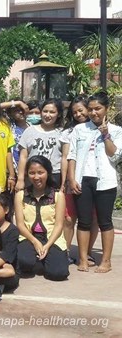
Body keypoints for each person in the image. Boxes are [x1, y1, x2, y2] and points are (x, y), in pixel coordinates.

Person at [68, 91, 122, 273]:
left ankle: (105, 261)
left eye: (98, 108)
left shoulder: (117, 130)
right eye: (90, 109)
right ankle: (83, 259)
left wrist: (106, 135)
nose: (93, 113)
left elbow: (114, 155)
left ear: (106, 109)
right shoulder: (79, 129)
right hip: (83, 179)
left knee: (105, 221)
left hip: (105, 181)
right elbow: (72, 155)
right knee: (83, 221)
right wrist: (72, 178)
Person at [14, 155, 69, 281]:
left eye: (40, 172)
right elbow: (20, 225)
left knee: (58, 273)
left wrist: (47, 245)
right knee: (24, 263)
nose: (36, 177)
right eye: (32, 173)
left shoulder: (57, 195)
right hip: (29, 237)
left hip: (51, 237)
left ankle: (47, 258)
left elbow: (59, 225)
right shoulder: (21, 195)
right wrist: (35, 242)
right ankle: (36, 260)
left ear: (48, 173)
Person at [60, 96, 98, 264]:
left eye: (81, 110)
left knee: (93, 218)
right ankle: (66, 252)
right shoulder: (68, 132)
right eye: (74, 112)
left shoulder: (99, 129)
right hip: (72, 180)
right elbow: (66, 157)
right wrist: (66, 181)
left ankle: (87, 252)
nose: (78, 114)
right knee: (69, 219)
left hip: (95, 181)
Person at [16, 99, 65, 192]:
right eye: (45, 111)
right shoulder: (29, 131)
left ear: (58, 114)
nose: (47, 115)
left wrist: (63, 182)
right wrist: (20, 179)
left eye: (52, 112)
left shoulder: (63, 133)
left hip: (54, 176)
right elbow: (23, 156)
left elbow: (65, 158)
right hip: (33, 176)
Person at [5, 99, 29, 170]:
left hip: (29, 169)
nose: (21, 112)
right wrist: (18, 102)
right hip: (13, 168)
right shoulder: (7, 126)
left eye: (22, 109)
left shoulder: (33, 128)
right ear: (10, 113)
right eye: (16, 110)